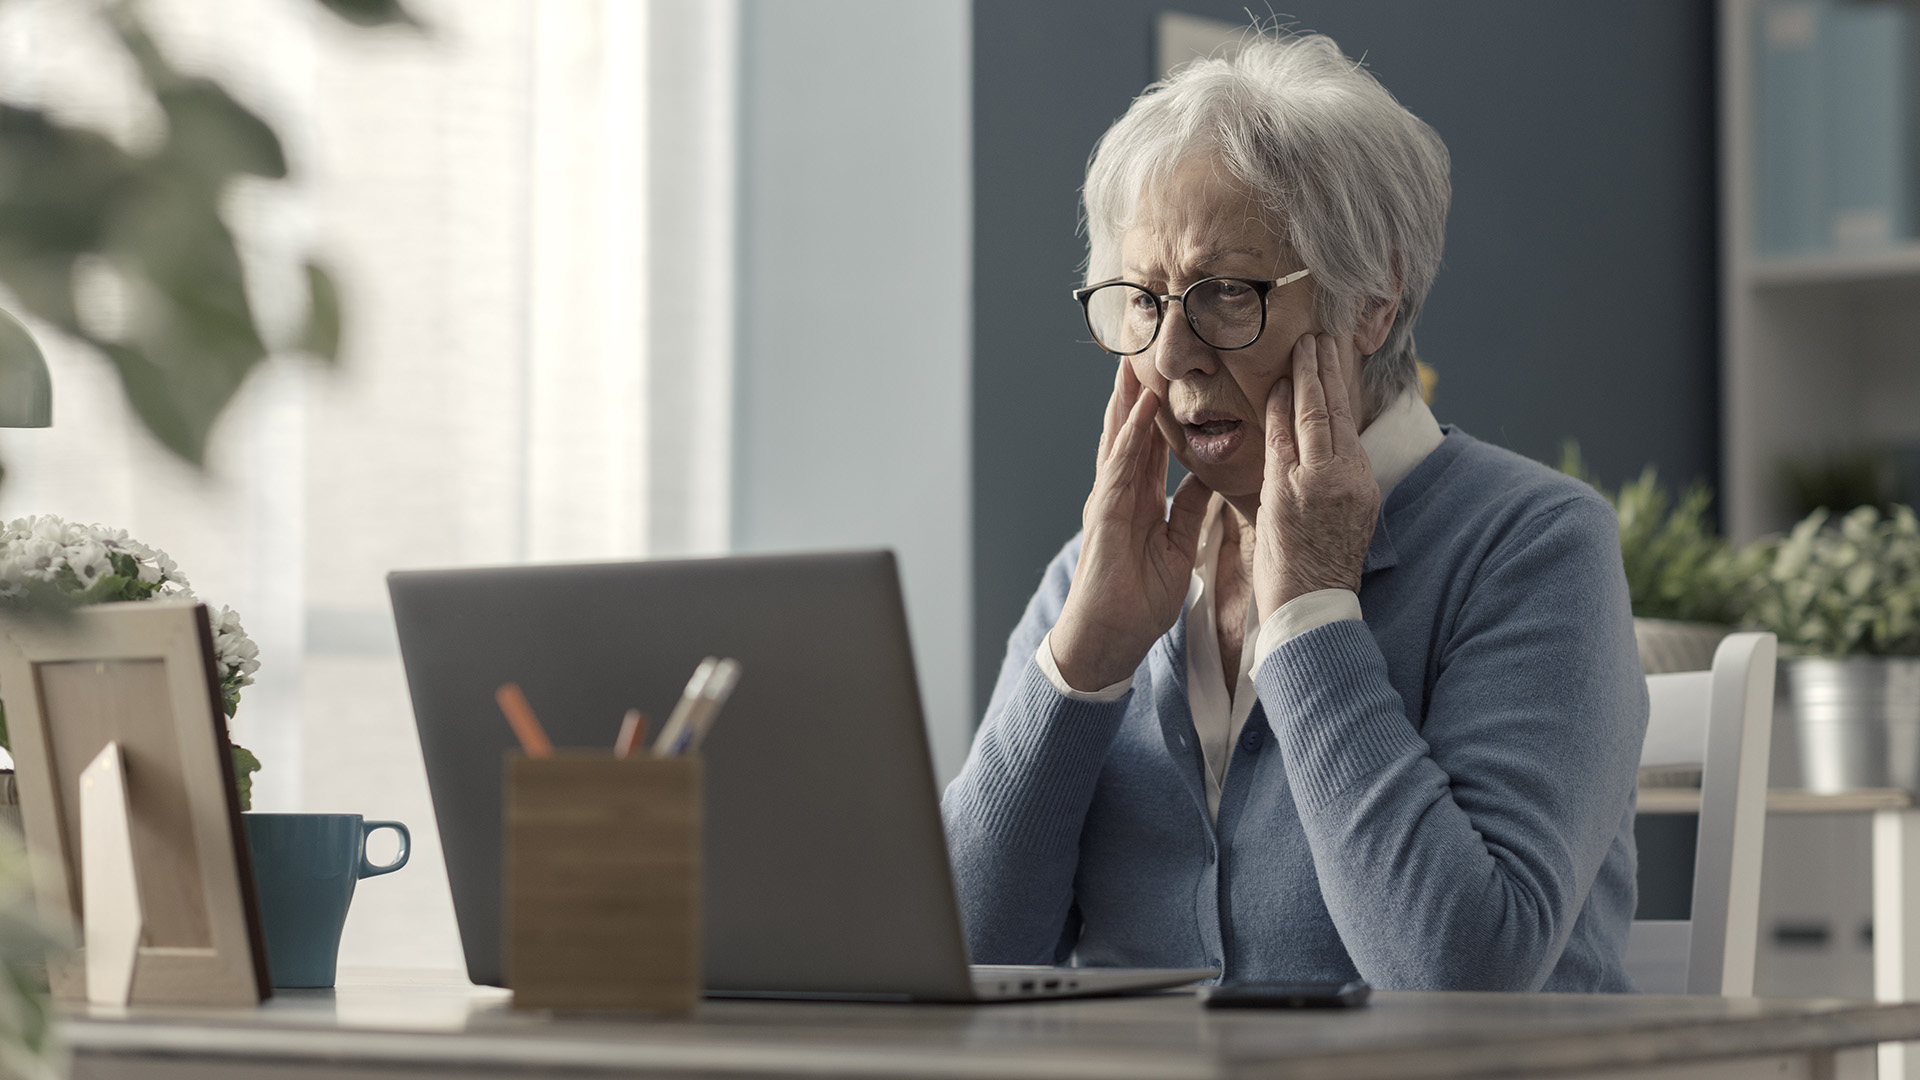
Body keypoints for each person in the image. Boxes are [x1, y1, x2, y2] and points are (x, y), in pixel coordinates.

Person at [942, 30, 1647, 992]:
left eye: (1224, 293)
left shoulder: (1534, 547)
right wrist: (1081, 667)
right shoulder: (1092, 576)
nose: (1175, 353)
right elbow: (956, 960)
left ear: (1374, 298)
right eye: (1142, 301)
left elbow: (1461, 976)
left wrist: (1312, 612)